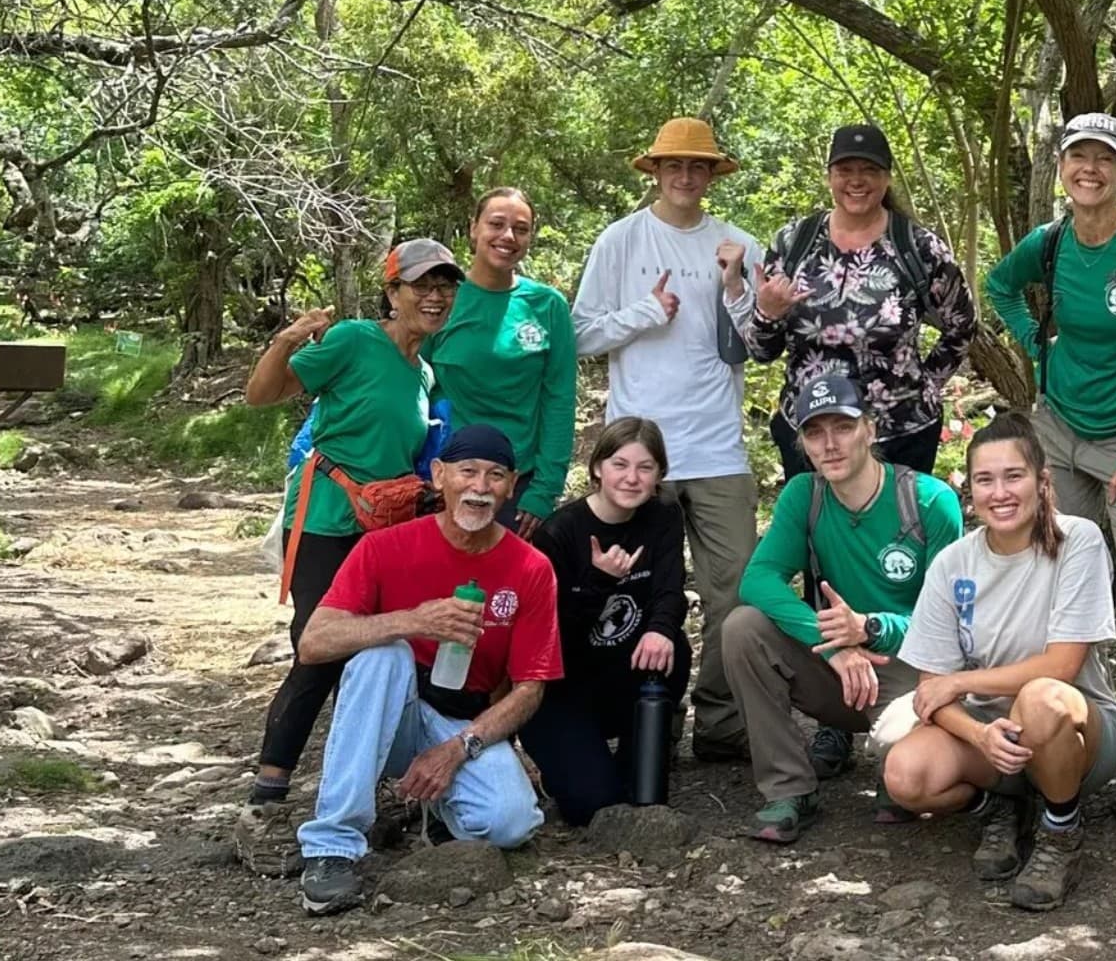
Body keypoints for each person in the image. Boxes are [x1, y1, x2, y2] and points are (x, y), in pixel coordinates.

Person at [982, 112, 1116, 819]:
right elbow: (998, 286)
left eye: (1104, 158)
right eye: (1078, 157)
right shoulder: (1050, 244)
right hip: (1059, 429)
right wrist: (1039, 346)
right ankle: (1071, 722)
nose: (1089, 170)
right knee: (1056, 573)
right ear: (1064, 166)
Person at [234, 238, 461, 875]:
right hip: (327, 522)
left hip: (380, 532)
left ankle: (364, 787)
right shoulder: (356, 340)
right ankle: (266, 799)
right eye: (421, 285)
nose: (435, 296)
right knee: (318, 650)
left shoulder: (423, 372)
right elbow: (262, 394)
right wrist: (287, 340)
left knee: (380, 654)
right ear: (392, 292)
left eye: (445, 285)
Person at [291, 424, 560, 916]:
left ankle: (436, 805)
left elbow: (530, 688)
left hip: (461, 720)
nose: (480, 487)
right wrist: (413, 621)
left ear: (510, 486)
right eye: (467, 472)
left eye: (495, 475)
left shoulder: (531, 567)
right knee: (384, 655)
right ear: (439, 476)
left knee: (512, 823)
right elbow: (313, 643)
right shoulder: (383, 547)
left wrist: (458, 750)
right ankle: (331, 847)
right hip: (389, 713)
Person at [881, 412, 1116, 912]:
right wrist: (979, 735)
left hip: (1079, 730)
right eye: (984, 480)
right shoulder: (953, 563)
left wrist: (963, 682)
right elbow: (932, 690)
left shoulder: (1077, 540)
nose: (999, 493)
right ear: (970, 488)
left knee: (1040, 699)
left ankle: (1061, 830)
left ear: (1042, 481)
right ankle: (998, 806)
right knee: (904, 775)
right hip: (990, 734)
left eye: (1013, 476)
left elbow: (1061, 666)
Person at [573, 118, 761, 762]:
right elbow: (580, 334)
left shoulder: (738, 245)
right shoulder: (621, 241)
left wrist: (736, 287)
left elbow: (759, 342)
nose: (685, 176)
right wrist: (644, 314)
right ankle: (646, 716)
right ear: (654, 170)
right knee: (635, 588)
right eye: (674, 165)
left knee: (734, 590)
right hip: (639, 455)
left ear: (712, 174)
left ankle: (721, 722)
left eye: (698, 166)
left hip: (718, 448)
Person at [724, 374, 963, 843]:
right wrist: (833, 643)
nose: (829, 445)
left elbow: (948, 622)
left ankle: (902, 761)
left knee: (907, 778)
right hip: (838, 673)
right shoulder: (805, 495)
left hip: (913, 671)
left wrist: (870, 628)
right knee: (743, 628)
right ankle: (789, 789)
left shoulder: (929, 501)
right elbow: (758, 578)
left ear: (869, 430)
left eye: (843, 427)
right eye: (814, 433)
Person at [747, 123, 977, 480]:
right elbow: (761, 352)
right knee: (816, 519)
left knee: (897, 520)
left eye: (869, 170)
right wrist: (768, 314)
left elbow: (962, 325)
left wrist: (927, 385)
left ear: (887, 177)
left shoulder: (918, 248)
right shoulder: (794, 243)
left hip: (899, 435)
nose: (856, 180)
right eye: (845, 170)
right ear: (829, 177)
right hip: (811, 435)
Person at [522, 418, 691, 825]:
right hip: (564, 688)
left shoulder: (663, 516)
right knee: (594, 808)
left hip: (625, 674)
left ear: (659, 475)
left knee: (674, 646)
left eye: (645, 468)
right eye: (620, 464)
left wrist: (660, 629)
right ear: (597, 467)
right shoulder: (559, 533)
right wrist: (598, 583)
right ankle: (569, 766)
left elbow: (670, 590)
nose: (632, 478)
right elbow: (551, 638)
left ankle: (639, 753)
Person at [423, 188, 576, 536]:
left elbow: (559, 399)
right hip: (446, 479)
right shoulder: (444, 300)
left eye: (521, 229)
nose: (508, 236)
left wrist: (546, 489)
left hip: (518, 484)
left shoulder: (548, 305)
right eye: (496, 224)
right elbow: (413, 384)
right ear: (473, 228)